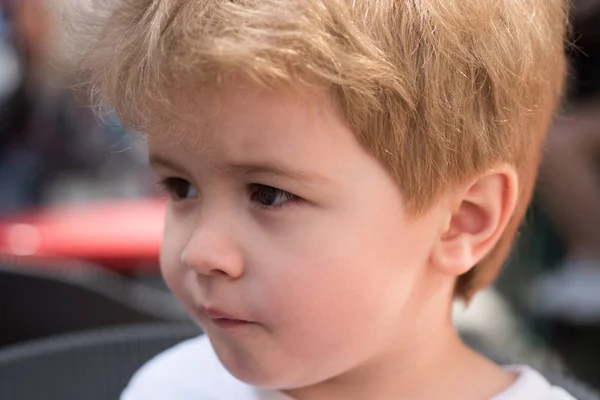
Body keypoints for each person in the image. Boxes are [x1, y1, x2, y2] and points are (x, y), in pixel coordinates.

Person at [77, 0, 570, 398]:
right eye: (181, 187)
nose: (199, 252)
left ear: (462, 220)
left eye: (268, 195)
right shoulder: (173, 388)